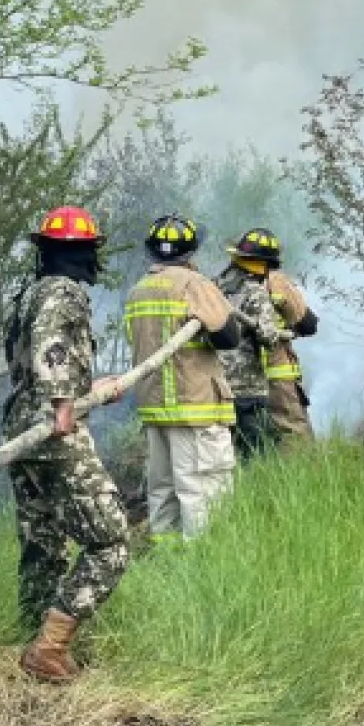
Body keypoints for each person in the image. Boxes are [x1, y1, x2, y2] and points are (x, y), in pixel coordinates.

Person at [2, 205, 130, 683]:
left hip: (21, 426)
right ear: (85, 252)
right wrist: (63, 405)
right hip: (53, 429)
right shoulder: (63, 290)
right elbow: (51, 345)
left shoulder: (31, 291)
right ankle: (49, 650)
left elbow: (40, 350)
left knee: (44, 542)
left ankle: (29, 638)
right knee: (111, 542)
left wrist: (92, 391)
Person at [123, 214, 241, 540]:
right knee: (202, 490)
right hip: (196, 408)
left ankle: (168, 560)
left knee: (163, 490)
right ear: (190, 252)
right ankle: (207, 562)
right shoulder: (195, 285)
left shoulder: (138, 291)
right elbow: (230, 338)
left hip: (154, 409)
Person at [215, 228, 289, 459]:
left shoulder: (215, 286)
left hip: (216, 388)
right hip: (247, 389)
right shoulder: (255, 291)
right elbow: (267, 337)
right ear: (265, 265)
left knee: (224, 457)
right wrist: (277, 332)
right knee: (255, 456)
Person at [261, 233, 319, 442]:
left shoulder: (223, 281)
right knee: (294, 434)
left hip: (236, 380)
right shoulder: (275, 280)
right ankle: (302, 473)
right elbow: (308, 324)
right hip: (276, 374)